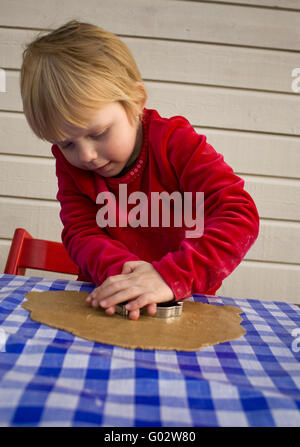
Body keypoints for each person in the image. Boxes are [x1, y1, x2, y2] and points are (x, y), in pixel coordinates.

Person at [20, 20, 259, 320]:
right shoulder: (71, 163)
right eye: (66, 144)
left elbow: (238, 214)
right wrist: (129, 277)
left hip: (183, 305)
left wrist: (168, 276)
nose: (86, 155)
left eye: (99, 133)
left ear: (136, 101)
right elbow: (81, 231)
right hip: (109, 302)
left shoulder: (177, 144)